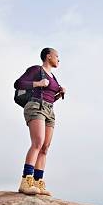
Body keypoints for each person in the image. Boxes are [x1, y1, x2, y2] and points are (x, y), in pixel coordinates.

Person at [14, 47, 66, 196]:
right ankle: (26, 181)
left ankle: (38, 183)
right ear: (48, 56)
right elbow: (18, 84)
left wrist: (59, 94)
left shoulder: (53, 77)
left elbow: (50, 96)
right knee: (37, 142)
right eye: (57, 56)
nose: (58, 59)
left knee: (45, 148)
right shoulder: (37, 70)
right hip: (36, 106)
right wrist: (38, 83)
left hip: (49, 110)